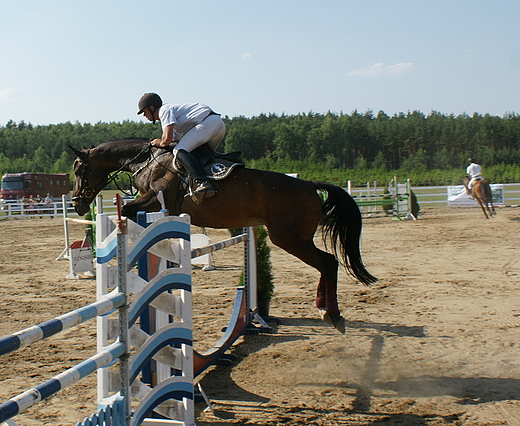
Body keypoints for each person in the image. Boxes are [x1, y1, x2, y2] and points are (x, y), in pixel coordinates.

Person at [137, 92, 226, 203]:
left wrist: (156, 142)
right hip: (217, 125)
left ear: (151, 108)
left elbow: (166, 141)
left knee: (179, 150)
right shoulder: (172, 116)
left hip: (208, 123)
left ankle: (202, 183)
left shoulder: (164, 110)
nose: (144, 116)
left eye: (144, 112)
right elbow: (175, 139)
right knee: (200, 155)